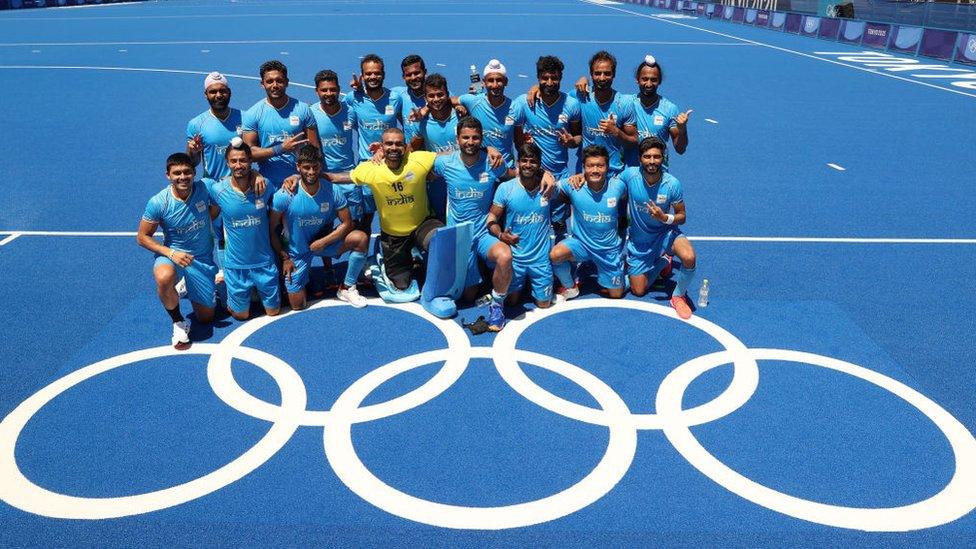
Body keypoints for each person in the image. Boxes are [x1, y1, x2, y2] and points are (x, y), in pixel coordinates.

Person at [431, 117, 511, 328]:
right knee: (468, 297)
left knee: (504, 256)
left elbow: (516, 175)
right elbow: (416, 163)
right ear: (457, 139)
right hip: (459, 235)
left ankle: (497, 305)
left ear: (481, 139)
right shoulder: (445, 163)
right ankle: (479, 278)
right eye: (465, 137)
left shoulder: (493, 163)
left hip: (483, 233)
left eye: (475, 138)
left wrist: (545, 174)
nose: (470, 141)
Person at [270, 146, 369, 310]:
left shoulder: (332, 190)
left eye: (315, 167)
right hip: (297, 253)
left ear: (320, 166)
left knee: (360, 238)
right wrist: (284, 258)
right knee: (297, 305)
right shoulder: (284, 195)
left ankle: (346, 287)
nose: (311, 172)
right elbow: (272, 229)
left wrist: (324, 242)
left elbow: (347, 223)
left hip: (321, 245)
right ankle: (304, 275)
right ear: (298, 167)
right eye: (306, 167)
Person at [137, 153, 218, 349]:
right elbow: (142, 237)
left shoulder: (205, 187)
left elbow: (219, 200)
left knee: (206, 318)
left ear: (194, 173)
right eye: (177, 173)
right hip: (173, 256)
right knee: (164, 277)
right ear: (168, 176)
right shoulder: (159, 202)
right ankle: (178, 322)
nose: (183, 177)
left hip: (202, 258)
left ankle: (185, 286)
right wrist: (172, 254)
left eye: (187, 172)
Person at [348, 128, 443, 291]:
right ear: (381, 147)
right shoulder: (370, 168)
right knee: (402, 285)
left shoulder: (418, 160)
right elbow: (341, 177)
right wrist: (304, 177)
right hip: (394, 236)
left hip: (422, 225)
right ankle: (393, 255)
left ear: (405, 147)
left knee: (440, 240)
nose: (394, 147)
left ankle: (423, 265)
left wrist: (486, 149)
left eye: (399, 144)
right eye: (389, 143)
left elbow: (451, 156)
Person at [620, 137, 697, 319]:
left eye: (657, 156)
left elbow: (682, 216)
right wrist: (580, 178)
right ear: (640, 159)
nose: (652, 161)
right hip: (640, 242)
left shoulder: (672, 184)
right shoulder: (629, 175)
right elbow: (606, 184)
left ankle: (678, 296)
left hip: (665, 234)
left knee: (689, 257)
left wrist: (665, 217)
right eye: (647, 157)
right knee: (638, 290)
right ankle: (663, 261)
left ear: (663, 158)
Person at [208, 140, 283, 320]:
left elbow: (281, 204)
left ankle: (253, 292)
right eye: (234, 161)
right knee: (241, 316)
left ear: (251, 161)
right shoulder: (218, 191)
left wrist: (293, 178)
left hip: (264, 263)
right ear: (227, 162)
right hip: (236, 266)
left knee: (273, 312)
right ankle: (228, 291)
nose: (238, 165)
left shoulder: (265, 186)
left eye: (243, 160)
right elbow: (209, 217)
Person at [509, 55, 582, 236]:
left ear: (560, 78)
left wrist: (571, 141)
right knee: (530, 222)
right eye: (545, 78)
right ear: (538, 78)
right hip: (532, 175)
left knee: (558, 226)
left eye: (554, 78)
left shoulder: (571, 105)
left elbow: (579, 137)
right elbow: (517, 140)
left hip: (559, 176)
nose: (549, 82)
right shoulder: (524, 103)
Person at [550, 145, 627, 299]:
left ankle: (623, 270)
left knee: (617, 294)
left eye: (600, 166)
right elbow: (551, 187)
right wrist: (546, 174)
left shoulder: (618, 186)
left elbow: (624, 201)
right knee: (555, 255)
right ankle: (570, 286)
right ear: (583, 167)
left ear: (607, 167)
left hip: (608, 251)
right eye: (590, 166)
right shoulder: (573, 185)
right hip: (581, 245)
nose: (595, 170)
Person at [487, 143, 556, 310]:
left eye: (533, 161)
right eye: (524, 161)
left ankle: (533, 286)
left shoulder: (549, 188)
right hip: (516, 259)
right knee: (510, 303)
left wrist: (580, 177)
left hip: (541, 260)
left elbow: (574, 188)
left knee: (544, 304)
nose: (528, 165)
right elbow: (492, 218)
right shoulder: (506, 188)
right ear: (518, 163)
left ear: (539, 165)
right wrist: (501, 235)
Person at [346, 54, 404, 229]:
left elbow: (406, 128)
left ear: (383, 75)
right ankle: (362, 255)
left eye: (376, 73)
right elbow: (339, 117)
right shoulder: (352, 98)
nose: (373, 77)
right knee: (365, 219)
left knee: (394, 216)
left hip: (393, 165)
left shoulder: (395, 98)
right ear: (362, 76)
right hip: (368, 165)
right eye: (368, 74)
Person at [241, 60, 320, 189]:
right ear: (262, 84)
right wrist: (280, 148)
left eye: (279, 80)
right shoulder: (253, 114)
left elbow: (315, 149)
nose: (275, 85)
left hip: (299, 182)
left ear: (287, 82)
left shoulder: (303, 109)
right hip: (268, 184)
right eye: (269, 81)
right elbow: (248, 154)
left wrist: (300, 176)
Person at [626, 55, 692, 169]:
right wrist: (584, 79)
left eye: (653, 79)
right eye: (644, 79)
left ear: (660, 81)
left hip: (658, 173)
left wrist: (682, 129)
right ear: (637, 79)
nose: (649, 84)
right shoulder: (626, 104)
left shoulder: (670, 109)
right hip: (631, 173)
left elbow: (680, 149)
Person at [413, 73, 460, 221]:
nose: (436, 99)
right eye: (431, 96)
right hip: (436, 181)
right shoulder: (421, 122)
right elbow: (412, 150)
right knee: (440, 220)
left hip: (461, 178)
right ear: (425, 99)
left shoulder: (461, 116)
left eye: (440, 95)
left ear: (447, 95)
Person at [186, 71, 243, 181]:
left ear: (229, 92)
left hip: (242, 185)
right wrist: (193, 151)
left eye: (222, 91)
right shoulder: (196, 124)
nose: (218, 95)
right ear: (205, 94)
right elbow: (192, 162)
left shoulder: (246, 118)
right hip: (212, 187)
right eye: (213, 92)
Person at [459, 59, 516, 168]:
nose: (495, 85)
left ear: (506, 82)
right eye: (490, 80)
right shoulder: (473, 101)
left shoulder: (515, 108)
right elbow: (448, 100)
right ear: (484, 83)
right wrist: (459, 105)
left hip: (507, 170)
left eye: (499, 80)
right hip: (480, 168)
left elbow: (519, 142)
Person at [393, 54, 428, 142]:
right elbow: (377, 94)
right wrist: (361, 89)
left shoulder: (438, 96)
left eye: (417, 73)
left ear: (425, 72)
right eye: (408, 75)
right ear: (403, 77)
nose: (413, 77)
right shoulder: (398, 95)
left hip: (435, 153)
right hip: (410, 154)